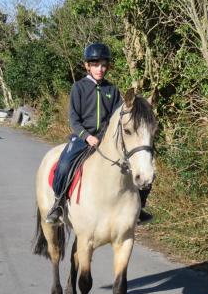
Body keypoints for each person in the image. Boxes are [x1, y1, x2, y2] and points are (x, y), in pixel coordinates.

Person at [46, 42, 153, 224]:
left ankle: (139, 206)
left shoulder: (112, 90)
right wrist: (87, 136)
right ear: (87, 65)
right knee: (64, 165)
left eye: (103, 65)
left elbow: (119, 117)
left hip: (107, 139)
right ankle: (58, 203)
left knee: (140, 165)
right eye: (95, 64)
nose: (100, 69)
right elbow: (74, 120)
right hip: (82, 137)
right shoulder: (78, 88)